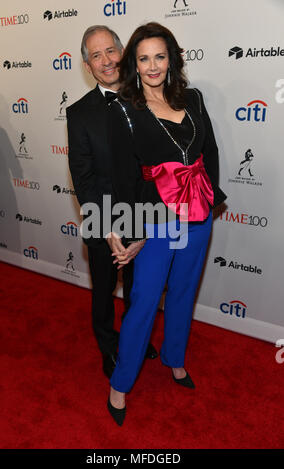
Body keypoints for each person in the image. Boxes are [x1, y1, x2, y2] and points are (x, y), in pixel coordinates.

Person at [106, 22, 227, 425]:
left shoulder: (192, 97)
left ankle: (175, 358)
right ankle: (121, 383)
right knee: (143, 300)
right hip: (157, 220)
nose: (153, 66)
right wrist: (134, 230)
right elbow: (124, 176)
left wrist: (213, 198)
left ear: (171, 59)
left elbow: (208, 150)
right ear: (134, 65)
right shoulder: (125, 108)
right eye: (144, 58)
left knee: (184, 292)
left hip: (198, 215)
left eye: (160, 56)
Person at [66, 26, 158, 381]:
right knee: (103, 291)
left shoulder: (150, 99)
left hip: (145, 216)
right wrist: (105, 229)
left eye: (111, 51)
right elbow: (83, 176)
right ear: (87, 65)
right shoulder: (78, 114)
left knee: (141, 288)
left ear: (124, 51)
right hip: (101, 218)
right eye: (96, 55)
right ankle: (108, 346)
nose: (106, 61)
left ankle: (135, 339)